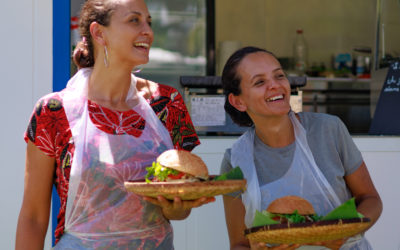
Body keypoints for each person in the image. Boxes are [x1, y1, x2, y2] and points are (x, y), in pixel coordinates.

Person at [15, 0, 215, 249]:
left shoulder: (166, 104)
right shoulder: (53, 111)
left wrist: (177, 206)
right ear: (99, 33)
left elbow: (178, 212)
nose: (149, 32)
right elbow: (33, 217)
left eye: (149, 22)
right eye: (134, 20)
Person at [219, 46, 382, 250]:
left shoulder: (329, 130)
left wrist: (347, 231)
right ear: (238, 101)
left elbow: (371, 199)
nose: (275, 85)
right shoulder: (234, 161)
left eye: (279, 76)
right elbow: (239, 244)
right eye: (260, 82)